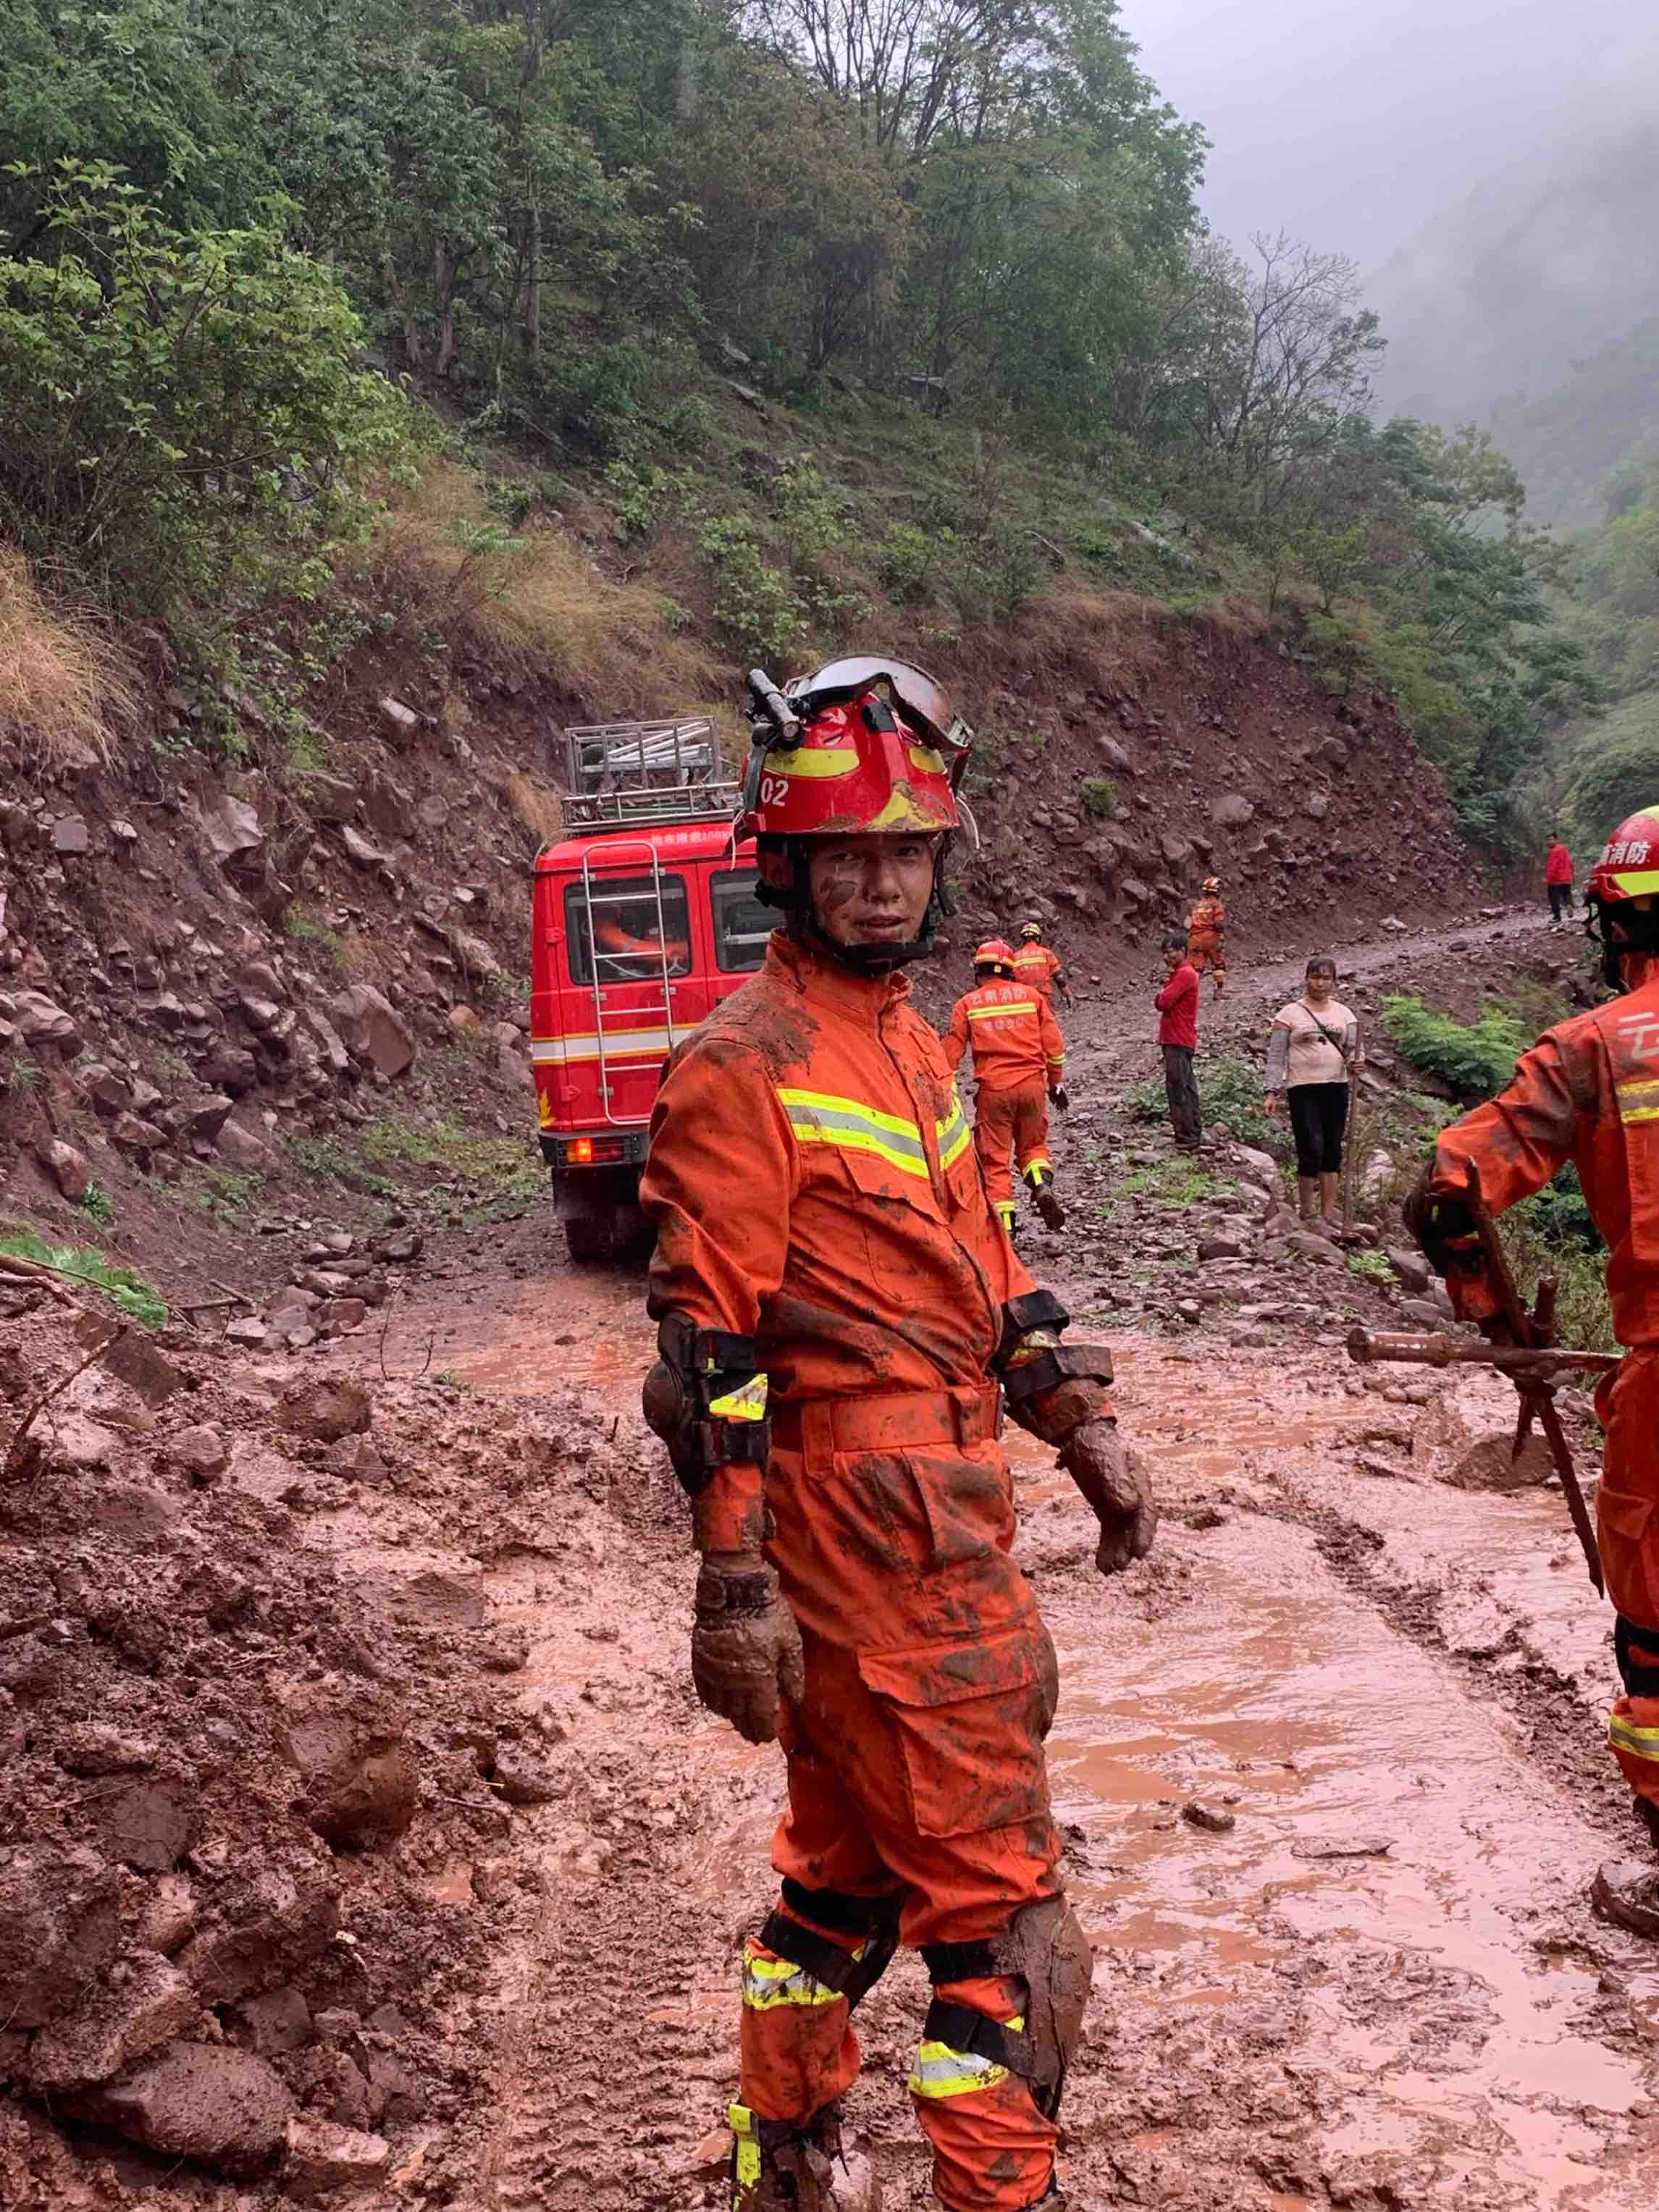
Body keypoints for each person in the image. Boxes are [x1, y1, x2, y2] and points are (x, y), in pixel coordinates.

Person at [638, 656, 1157, 2212]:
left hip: (942, 1493)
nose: (879, 885)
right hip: (870, 1526)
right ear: (784, 867)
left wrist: (1074, 1417)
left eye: (906, 853)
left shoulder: (916, 1040)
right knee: (1002, 1929)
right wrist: (731, 1585)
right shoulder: (743, 1062)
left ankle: (779, 2166)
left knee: (843, 1884)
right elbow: (708, 1358)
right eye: (846, 856)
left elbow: (977, 1254)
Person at [1406, 803, 1659, 1935]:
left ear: (1608, 918)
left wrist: (1498, 1324)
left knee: (1651, 1624)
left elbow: (1446, 1186)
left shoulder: (1595, 1047)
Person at [945, 938, 1068, 1237]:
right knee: (1034, 1147)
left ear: (978, 970)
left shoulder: (967, 1004)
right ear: (1011, 970)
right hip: (1032, 1087)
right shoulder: (1031, 997)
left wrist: (939, 1090)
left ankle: (1006, 1230)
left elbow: (950, 1053)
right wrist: (1056, 1083)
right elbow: (1054, 1046)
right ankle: (1040, 1183)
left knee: (995, 1160)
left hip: (994, 1093)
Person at [1264, 956, 1364, 1228]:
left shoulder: (1346, 1015)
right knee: (1310, 1147)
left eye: (1326, 978)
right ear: (1306, 978)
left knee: (1332, 1149)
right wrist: (1271, 1091)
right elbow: (1276, 1056)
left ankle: (1327, 1215)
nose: (1320, 983)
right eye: (1315, 977)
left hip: (1336, 1085)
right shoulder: (1288, 1014)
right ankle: (1306, 1212)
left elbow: (1355, 1049)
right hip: (1303, 1087)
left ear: (1334, 981)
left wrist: (1358, 1062)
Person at [1154, 933, 1202, 1152]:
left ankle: (1187, 1137)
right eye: (1164, 952)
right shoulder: (1181, 974)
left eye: (1171, 950)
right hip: (1179, 1037)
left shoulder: (1184, 975)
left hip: (1177, 1038)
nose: (1167, 956)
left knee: (1178, 1087)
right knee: (1185, 1085)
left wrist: (1159, 996)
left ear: (1183, 950)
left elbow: (1164, 1002)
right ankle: (1191, 1132)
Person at [1012, 917, 1070, 1006]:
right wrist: (1067, 994)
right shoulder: (1046, 953)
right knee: (1046, 1019)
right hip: (1042, 998)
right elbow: (1059, 977)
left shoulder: (1015, 957)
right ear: (1038, 938)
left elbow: (1011, 980)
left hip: (1024, 1000)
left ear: (1023, 939)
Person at [1185, 877, 1227, 993]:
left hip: (1194, 938)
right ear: (1218, 891)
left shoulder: (1196, 905)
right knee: (1218, 964)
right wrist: (1221, 938)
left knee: (1197, 968)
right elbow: (1218, 925)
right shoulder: (1216, 905)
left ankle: (1190, 994)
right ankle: (1218, 992)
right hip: (1210, 938)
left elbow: (1187, 924)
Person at [1547, 832, 1576, 929]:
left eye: (1551, 840)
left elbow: (1553, 866)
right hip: (1566, 877)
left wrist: (1548, 878)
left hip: (1556, 879)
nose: (1549, 842)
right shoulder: (1564, 850)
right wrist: (1572, 874)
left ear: (1556, 840)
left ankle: (1557, 916)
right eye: (1548, 840)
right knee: (1566, 894)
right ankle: (1568, 905)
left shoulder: (1554, 851)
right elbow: (1570, 862)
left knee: (1553, 897)